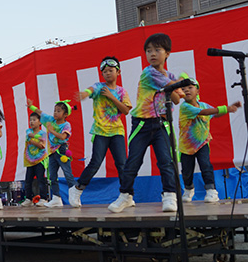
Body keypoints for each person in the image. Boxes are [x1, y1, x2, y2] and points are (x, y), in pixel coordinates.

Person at [108, 33, 184, 213]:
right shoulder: (148, 72)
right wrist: (177, 85)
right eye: (148, 50)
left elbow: (175, 99)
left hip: (162, 124)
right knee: (133, 162)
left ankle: (169, 195)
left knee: (166, 161)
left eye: (157, 50)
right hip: (142, 124)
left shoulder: (170, 75)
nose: (152, 54)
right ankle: (125, 196)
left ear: (167, 54)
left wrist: (176, 86)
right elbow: (175, 91)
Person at [69, 57, 132, 207]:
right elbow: (91, 89)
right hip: (101, 131)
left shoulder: (122, 91)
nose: (108, 73)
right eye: (105, 71)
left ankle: (126, 196)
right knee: (96, 163)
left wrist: (111, 97)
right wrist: (85, 93)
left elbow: (126, 110)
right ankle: (77, 189)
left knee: (122, 164)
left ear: (118, 72)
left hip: (117, 131)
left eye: (111, 70)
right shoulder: (99, 87)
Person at [179, 77, 241, 203]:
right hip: (187, 147)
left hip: (202, 143)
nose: (187, 90)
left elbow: (214, 113)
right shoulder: (185, 107)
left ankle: (211, 190)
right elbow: (206, 112)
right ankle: (188, 188)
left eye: (190, 88)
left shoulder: (203, 104)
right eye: (183, 89)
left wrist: (228, 109)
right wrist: (226, 108)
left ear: (197, 91)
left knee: (206, 166)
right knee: (187, 171)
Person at [27, 98, 76, 207]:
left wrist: (51, 130)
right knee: (52, 176)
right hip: (52, 152)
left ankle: (74, 196)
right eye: (54, 110)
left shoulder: (66, 125)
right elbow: (41, 113)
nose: (55, 113)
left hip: (62, 150)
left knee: (68, 173)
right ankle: (56, 198)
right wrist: (31, 106)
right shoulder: (50, 120)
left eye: (58, 111)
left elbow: (63, 137)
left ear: (65, 114)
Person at [21, 112, 48, 207]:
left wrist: (32, 141)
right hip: (30, 160)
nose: (31, 122)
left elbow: (42, 146)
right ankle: (28, 198)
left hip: (40, 159)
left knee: (41, 180)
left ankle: (43, 198)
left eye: (34, 120)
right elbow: (30, 135)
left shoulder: (43, 133)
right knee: (28, 180)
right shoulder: (28, 131)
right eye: (30, 120)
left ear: (40, 122)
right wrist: (37, 139)